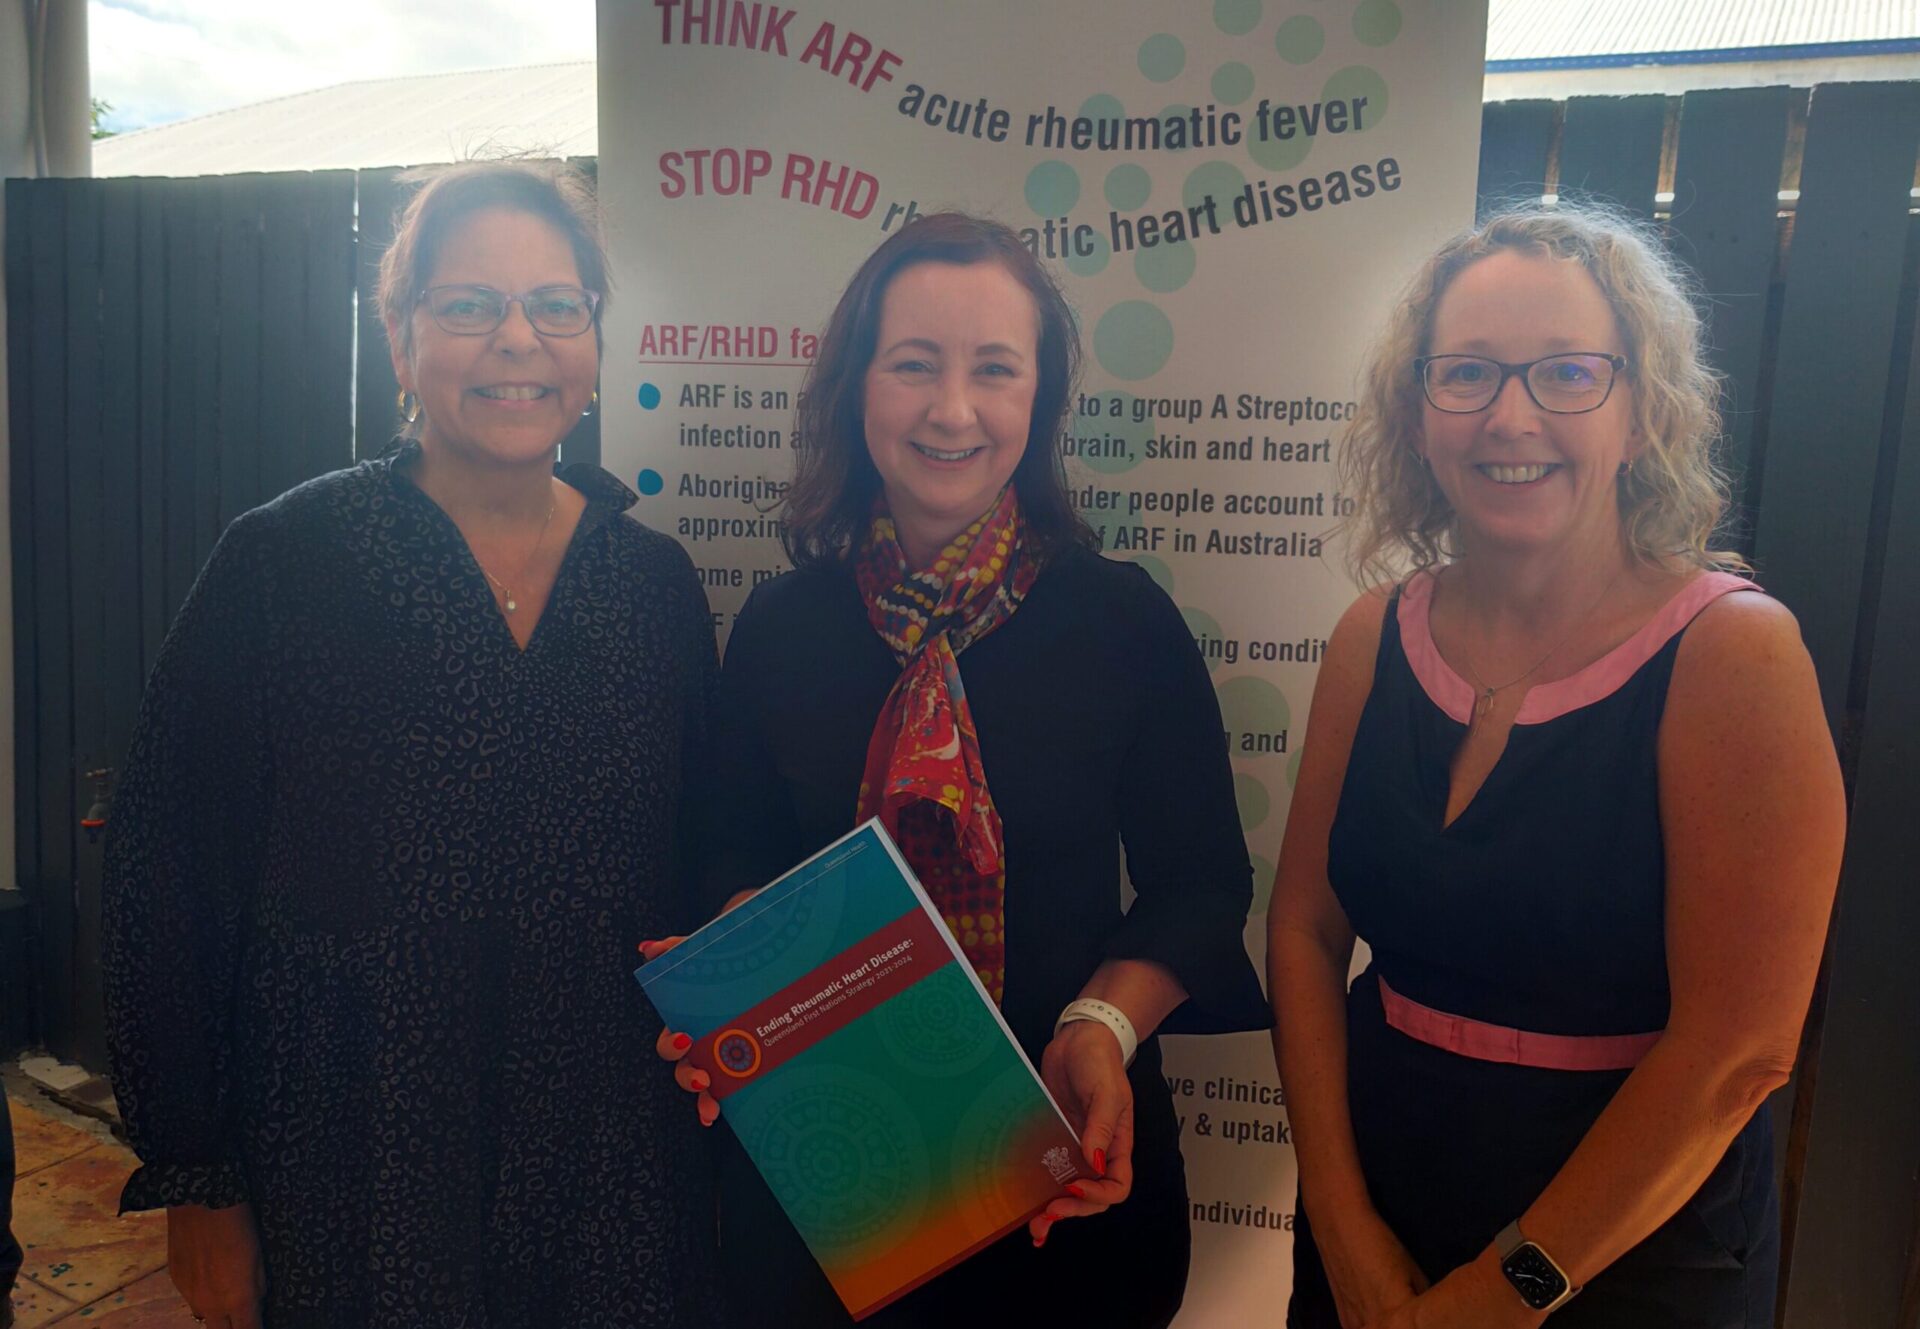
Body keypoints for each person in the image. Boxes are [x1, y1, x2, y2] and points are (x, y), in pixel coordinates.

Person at [101, 161, 721, 1329]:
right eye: (469, 304)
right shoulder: (287, 565)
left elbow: (700, 868)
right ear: (399, 337)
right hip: (351, 1175)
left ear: (594, 339)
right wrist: (197, 1178)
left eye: (556, 304)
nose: (517, 339)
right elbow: (167, 874)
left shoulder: (653, 587)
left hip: (610, 1183)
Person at [648, 212, 1269, 1328]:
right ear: (856, 385)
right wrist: (751, 975)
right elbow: (731, 856)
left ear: (1041, 396)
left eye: (994, 369)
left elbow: (1202, 888)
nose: (952, 409)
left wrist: (1104, 1024)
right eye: (913, 365)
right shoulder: (779, 627)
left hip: (1066, 1176)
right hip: (828, 1185)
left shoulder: (1124, 623)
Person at [1268, 203, 1847, 1329]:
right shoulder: (1371, 638)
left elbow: (1738, 1054)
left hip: (1628, 1254)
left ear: (1642, 413)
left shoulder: (1732, 654)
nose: (1510, 415)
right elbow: (1303, 929)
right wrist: (1339, 1224)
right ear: (1418, 415)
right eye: (1467, 373)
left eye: (1569, 373)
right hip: (1375, 1231)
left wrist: (1503, 1297)